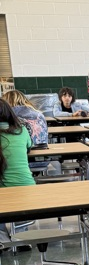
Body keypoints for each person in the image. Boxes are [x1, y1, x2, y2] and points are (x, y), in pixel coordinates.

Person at [0, 99, 34, 245]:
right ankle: (22, 237)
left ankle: (2, 238)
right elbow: (29, 147)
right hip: (28, 189)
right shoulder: (22, 130)